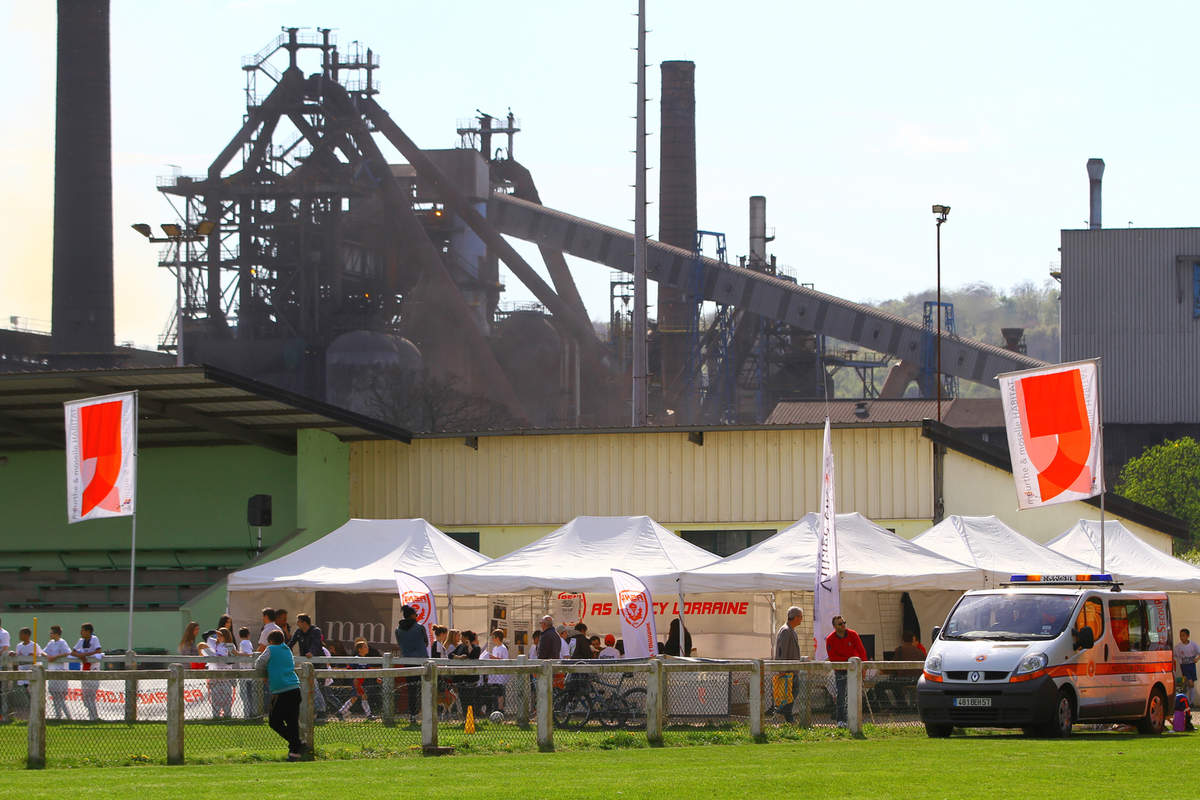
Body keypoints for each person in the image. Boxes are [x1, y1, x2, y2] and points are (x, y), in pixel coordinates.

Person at [255, 630, 304, 761]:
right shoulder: (287, 650)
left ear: (270, 641)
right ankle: (295, 752)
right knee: (292, 722)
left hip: (281, 690)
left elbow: (259, 663)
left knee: (274, 722)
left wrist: (265, 673)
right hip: (294, 688)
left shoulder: (270, 649)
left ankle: (296, 743)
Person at [825, 615, 867, 726]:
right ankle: (840, 720)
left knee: (855, 694)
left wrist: (863, 668)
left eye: (844, 622)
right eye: (840, 624)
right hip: (840, 669)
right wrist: (847, 661)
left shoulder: (853, 634)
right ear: (834, 626)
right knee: (841, 694)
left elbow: (861, 651)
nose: (843, 625)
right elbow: (833, 657)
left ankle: (854, 720)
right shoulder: (830, 639)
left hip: (854, 669)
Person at [395, 605, 429, 721]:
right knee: (425, 687)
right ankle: (425, 712)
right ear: (413, 615)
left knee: (411, 690)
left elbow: (400, 644)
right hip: (421, 661)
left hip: (407, 661)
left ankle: (413, 714)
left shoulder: (398, 629)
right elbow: (426, 643)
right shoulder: (420, 628)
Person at [773, 606, 804, 722]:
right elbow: (782, 651)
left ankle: (785, 715)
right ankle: (783, 714)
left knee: (791, 693)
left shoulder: (790, 630)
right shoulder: (786, 631)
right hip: (788, 670)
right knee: (789, 694)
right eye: (800, 617)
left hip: (792, 670)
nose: (801, 619)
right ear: (796, 617)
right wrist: (782, 669)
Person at [338, 638, 379, 719]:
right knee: (356, 697)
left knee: (360, 697)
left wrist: (376, 677)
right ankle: (341, 712)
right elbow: (349, 669)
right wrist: (355, 679)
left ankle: (341, 712)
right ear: (360, 650)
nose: (368, 648)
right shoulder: (356, 659)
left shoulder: (365, 660)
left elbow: (368, 670)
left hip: (359, 683)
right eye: (365, 647)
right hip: (356, 682)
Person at [71, 623, 103, 720]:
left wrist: (85, 655)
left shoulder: (94, 639)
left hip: (93, 669)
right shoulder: (81, 641)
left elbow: (98, 651)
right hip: (84, 668)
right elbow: (73, 652)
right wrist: (81, 656)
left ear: (88, 631)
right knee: (85, 698)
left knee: (92, 695)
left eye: (83, 630)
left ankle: (94, 717)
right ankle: (93, 715)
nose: (81, 632)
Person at [43, 626, 72, 720]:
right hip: (52, 671)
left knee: (60, 696)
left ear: (56, 634)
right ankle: (58, 716)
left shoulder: (62, 642)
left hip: (60, 671)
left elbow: (68, 653)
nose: (50, 634)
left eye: (51, 633)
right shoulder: (50, 643)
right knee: (54, 695)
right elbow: (43, 652)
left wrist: (55, 657)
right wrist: (48, 656)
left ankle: (68, 717)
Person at [207, 627, 236, 719]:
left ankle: (227, 716)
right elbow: (204, 636)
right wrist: (213, 631)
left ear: (225, 636)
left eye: (220, 635)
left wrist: (220, 657)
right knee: (215, 699)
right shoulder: (215, 645)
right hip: (215, 676)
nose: (218, 637)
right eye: (217, 635)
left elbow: (230, 661)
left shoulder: (230, 646)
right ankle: (215, 717)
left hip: (226, 676)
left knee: (227, 699)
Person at [14, 628, 41, 712]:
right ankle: (31, 707)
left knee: (32, 692)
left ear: (27, 635)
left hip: (31, 672)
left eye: (21, 634)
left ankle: (35, 708)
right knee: (27, 691)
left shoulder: (34, 646)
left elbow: (38, 657)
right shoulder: (19, 646)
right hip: (23, 672)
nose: (19, 636)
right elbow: (17, 658)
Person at [484, 630, 509, 713]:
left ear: (497, 638)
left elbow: (504, 661)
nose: (492, 639)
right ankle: (495, 709)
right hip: (495, 675)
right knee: (495, 692)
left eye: (493, 637)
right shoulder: (495, 648)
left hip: (500, 675)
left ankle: (500, 709)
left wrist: (493, 658)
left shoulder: (503, 648)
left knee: (500, 693)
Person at [236, 626, 258, 718]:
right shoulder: (247, 642)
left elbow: (248, 654)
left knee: (245, 695)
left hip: (245, 672)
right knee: (249, 694)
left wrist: (237, 653)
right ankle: (250, 714)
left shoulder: (244, 643)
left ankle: (248, 715)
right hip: (248, 671)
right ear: (248, 635)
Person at [1174, 627, 1199, 700]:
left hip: (1192, 666)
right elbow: (1174, 656)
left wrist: (1197, 658)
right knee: (1189, 682)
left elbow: (1199, 653)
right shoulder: (1178, 647)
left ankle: (1190, 702)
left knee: (1191, 685)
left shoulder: (1193, 645)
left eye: (1183, 635)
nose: (1181, 637)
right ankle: (1187, 701)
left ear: (1188, 636)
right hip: (1184, 667)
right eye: (1180, 636)